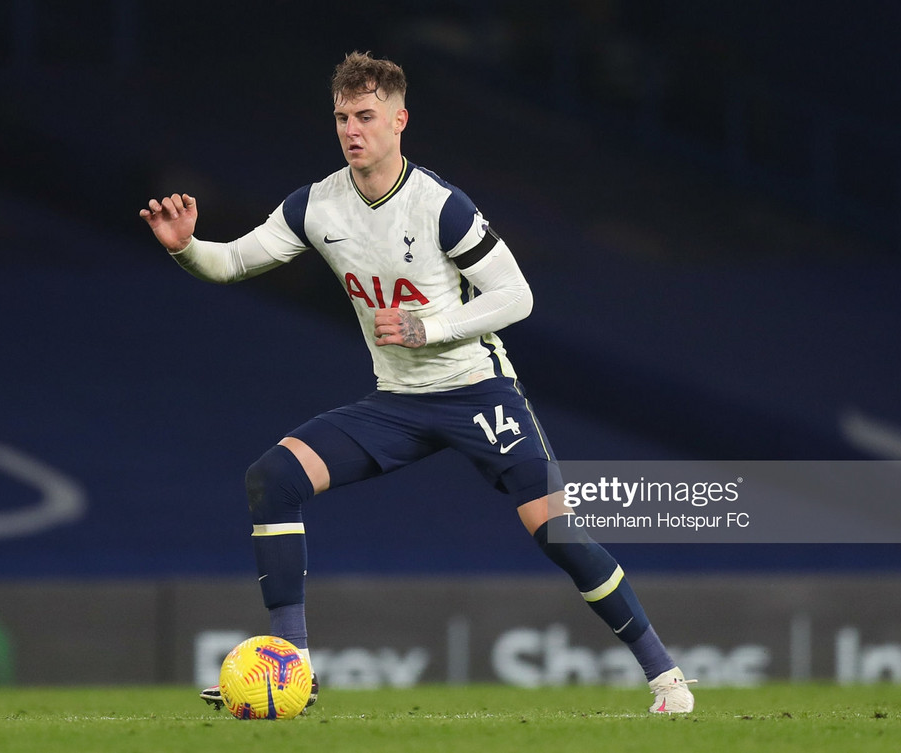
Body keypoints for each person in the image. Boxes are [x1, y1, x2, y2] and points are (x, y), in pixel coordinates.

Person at [140, 51, 696, 714]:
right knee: (273, 479)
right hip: (398, 403)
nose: (352, 129)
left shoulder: (441, 207)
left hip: (476, 391)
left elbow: (516, 296)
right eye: (343, 116)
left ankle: (666, 676)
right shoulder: (317, 205)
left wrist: (427, 329)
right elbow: (231, 263)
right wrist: (186, 248)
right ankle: (294, 668)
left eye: (367, 116)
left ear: (399, 120)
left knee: (559, 532)